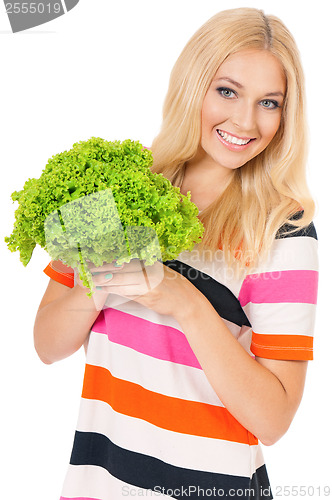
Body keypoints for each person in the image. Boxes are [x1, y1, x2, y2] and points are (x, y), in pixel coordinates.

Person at [34, 7, 318, 500]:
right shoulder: (116, 186)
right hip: (97, 484)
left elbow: (273, 419)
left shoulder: (283, 231)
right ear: (193, 84)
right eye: (226, 91)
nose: (245, 120)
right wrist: (104, 278)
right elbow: (47, 344)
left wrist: (183, 300)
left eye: (269, 102)